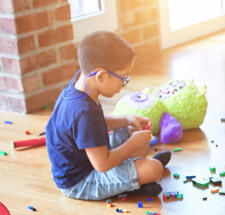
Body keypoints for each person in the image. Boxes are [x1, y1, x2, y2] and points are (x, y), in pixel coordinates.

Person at [45, 31, 171, 201]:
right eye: (123, 78)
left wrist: (127, 119)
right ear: (101, 76)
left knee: (127, 130)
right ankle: (133, 181)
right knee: (154, 169)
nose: (123, 85)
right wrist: (133, 142)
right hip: (81, 182)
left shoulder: (78, 88)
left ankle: (133, 175)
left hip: (90, 160)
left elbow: (94, 127)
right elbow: (102, 164)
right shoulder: (84, 111)